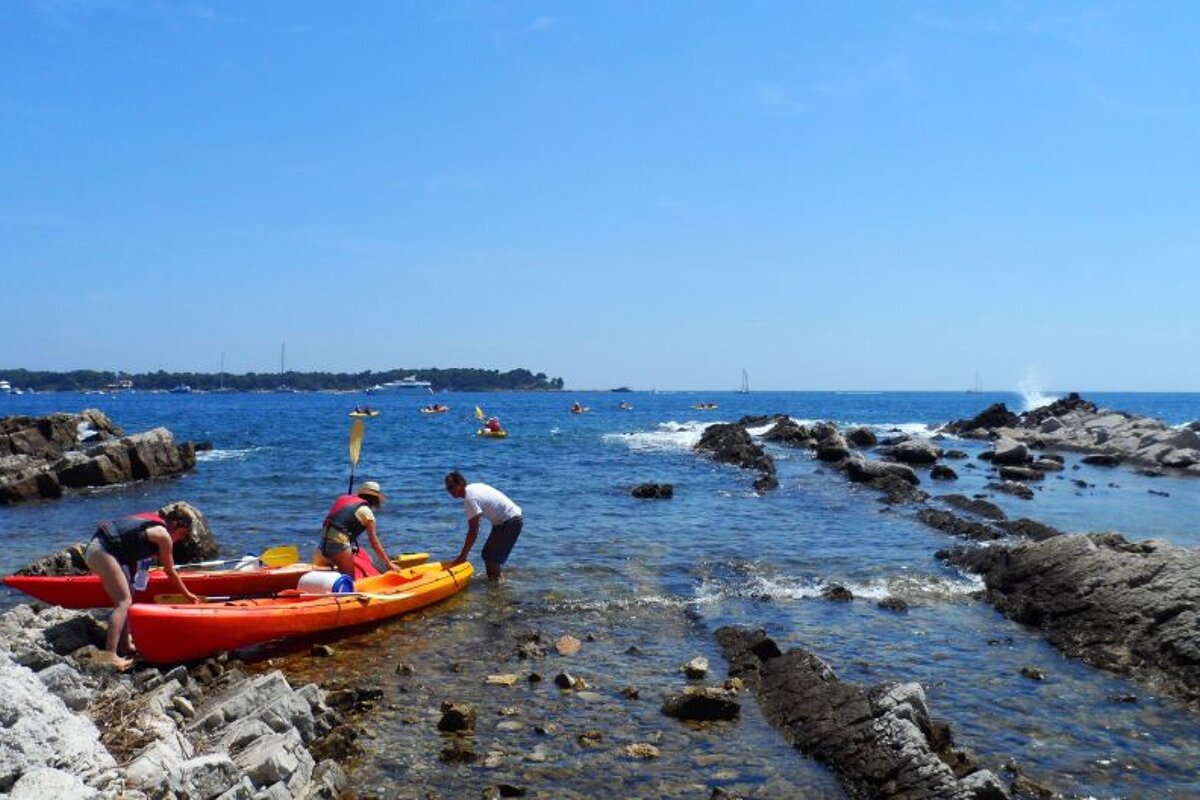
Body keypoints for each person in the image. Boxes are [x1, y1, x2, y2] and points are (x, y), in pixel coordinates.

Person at [84, 508, 200, 669]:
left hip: (99, 550)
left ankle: (126, 646)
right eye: (181, 534)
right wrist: (188, 595)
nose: (180, 539)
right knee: (123, 602)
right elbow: (170, 571)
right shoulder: (163, 535)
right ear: (173, 525)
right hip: (101, 551)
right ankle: (110, 655)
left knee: (127, 597)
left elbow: (132, 554)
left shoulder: (151, 530)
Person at [443, 471, 523, 583]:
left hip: (510, 521)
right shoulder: (473, 488)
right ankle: (496, 586)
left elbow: (473, 530)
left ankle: (498, 588)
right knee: (487, 555)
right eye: (447, 488)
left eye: (451, 487)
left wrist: (463, 556)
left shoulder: (470, 498)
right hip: (505, 521)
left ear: (460, 483)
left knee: (491, 558)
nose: (450, 491)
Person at [315, 481, 402, 577]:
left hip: (322, 545)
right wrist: (388, 563)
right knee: (350, 580)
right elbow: (374, 543)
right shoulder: (367, 513)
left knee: (336, 570)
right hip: (338, 546)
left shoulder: (343, 499)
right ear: (376, 499)